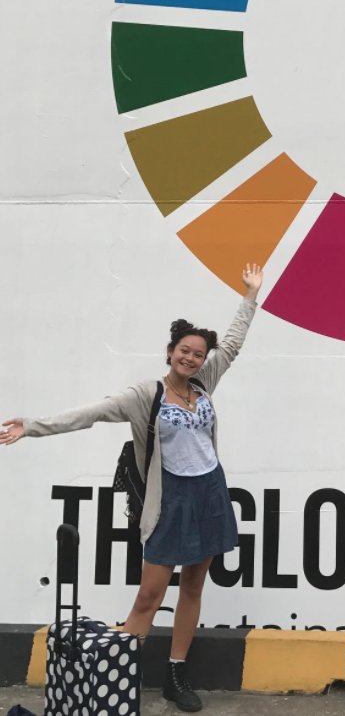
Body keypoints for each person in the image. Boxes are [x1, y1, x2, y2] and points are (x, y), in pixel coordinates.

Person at [0, 263, 264, 713]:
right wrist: (32, 425)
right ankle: (114, 677)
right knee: (148, 595)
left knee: (193, 586)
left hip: (210, 493)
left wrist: (250, 296)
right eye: (184, 351)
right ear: (170, 352)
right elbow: (91, 413)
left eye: (198, 354)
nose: (191, 359)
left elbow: (234, 342)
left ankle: (176, 673)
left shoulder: (204, 382)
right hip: (171, 500)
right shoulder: (146, 395)